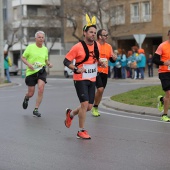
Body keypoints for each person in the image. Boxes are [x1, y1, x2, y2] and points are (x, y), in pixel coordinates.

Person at [63, 14, 102, 139]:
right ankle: (81, 131)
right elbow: (66, 61)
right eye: (90, 32)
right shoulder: (77, 47)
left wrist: (101, 62)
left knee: (89, 107)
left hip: (92, 78)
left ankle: (71, 114)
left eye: (94, 32)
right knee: (85, 104)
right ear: (84, 33)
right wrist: (76, 69)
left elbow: (96, 59)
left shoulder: (97, 45)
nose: (93, 34)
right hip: (80, 79)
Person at [21, 31, 53, 117]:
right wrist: (29, 65)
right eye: (39, 37)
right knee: (31, 93)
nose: (41, 39)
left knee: (41, 88)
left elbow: (45, 60)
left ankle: (36, 109)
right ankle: (26, 97)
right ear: (35, 38)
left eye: (42, 37)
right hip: (31, 72)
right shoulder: (30, 47)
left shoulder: (45, 49)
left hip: (41, 71)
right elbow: (23, 58)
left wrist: (49, 64)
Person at [91, 29, 116, 117]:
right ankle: (93, 105)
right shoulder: (94, 45)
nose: (107, 37)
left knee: (101, 91)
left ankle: (95, 107)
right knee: (100, 89)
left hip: (104, 71)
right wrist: (98, 62)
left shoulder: (109, 46)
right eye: (105, 35)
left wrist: (114, 58)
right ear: (100, 36)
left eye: (107, 35)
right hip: (95, 71)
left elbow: (112, 59)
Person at [152, 30, 170, 122]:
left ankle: (162, 100)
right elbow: (154, 60)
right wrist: (164, 62)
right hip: (164, 73)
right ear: (168, 34)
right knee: (169, 93)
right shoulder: (162, 46)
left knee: (168, 96)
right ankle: (164, 115)